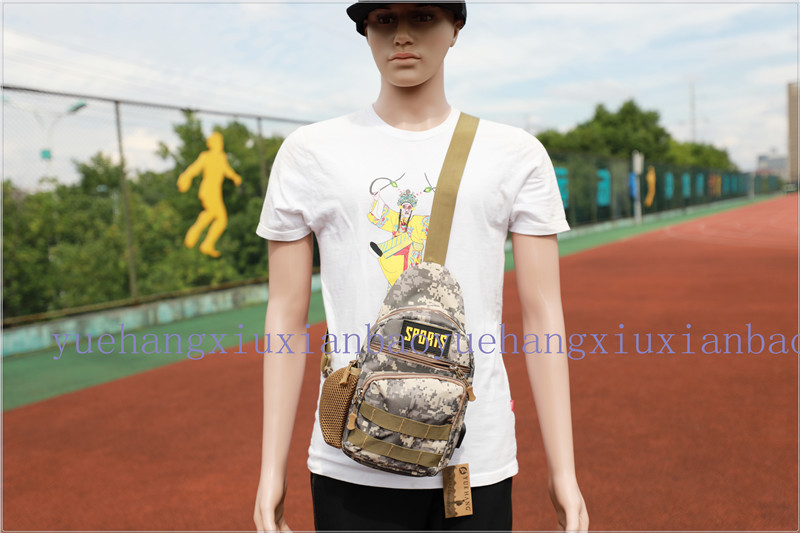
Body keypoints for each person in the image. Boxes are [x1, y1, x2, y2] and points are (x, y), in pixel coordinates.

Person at [253, 2, 589, 531]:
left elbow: (544, 316)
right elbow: (285, 315)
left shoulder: (515, 154)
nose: (402, 35)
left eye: (424, 17)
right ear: (365, 29)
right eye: (384, 19)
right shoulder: (309, 153)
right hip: (350, 456)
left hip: (472, 452)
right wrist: (271, 470)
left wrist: (563, 470)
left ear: (456, 28)